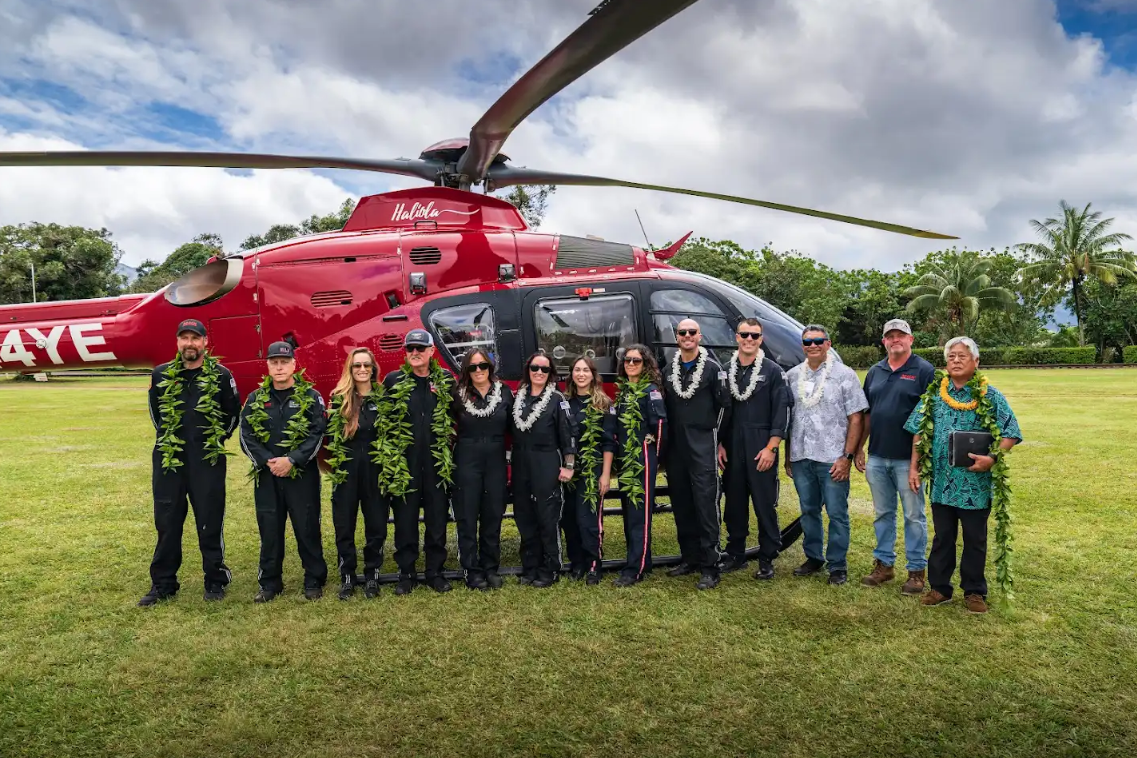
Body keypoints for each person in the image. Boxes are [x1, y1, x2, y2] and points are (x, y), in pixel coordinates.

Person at [905, 337, 1022, 615]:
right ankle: (940, 588)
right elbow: (918, 431)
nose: (956, 361)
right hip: (942, 483)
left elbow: (1011, 433)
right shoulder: (934, 395)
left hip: (975, 484)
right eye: (951, 356)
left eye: (962, 356)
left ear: (976, 362)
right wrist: (914, 467)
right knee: (943, 537)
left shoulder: (990, 396)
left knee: (975, 539)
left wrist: (992, 459)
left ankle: (974, 591)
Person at [138, 318, 241, 607]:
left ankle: (215, 580)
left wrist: (213, 441)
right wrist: (171, 441)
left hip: (206, 460)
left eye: (195, 338)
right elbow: (156, 415)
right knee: (167, 521)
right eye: (184, 338)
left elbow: (233, 413)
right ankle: (163, 583)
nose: (190, 343)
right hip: (169, 460)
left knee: (210, 519)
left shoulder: (221, 375)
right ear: (177, 342)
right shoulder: (161, 374)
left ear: (205, 342)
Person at [239, 341, 329, 602]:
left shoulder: (311, 397)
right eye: (274, 362)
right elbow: (246, 435)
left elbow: (317, 433)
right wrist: (268, 461)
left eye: (284, 362)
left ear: (293, 365)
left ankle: (314, 579)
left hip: (301, 476)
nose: (279, 367)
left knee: (307, 527)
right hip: (267, 476)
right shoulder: (255, 399)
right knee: (269, 529)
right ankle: (270, 583)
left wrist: (292, 460)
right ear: (268, 366)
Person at [855, 318, 936, 594]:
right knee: (883, 513)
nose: (895, 340)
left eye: (900, 335)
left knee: (914, 515)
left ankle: (916, 571)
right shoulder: (875, 371)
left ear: (911, 339)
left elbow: (927, 422)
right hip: (878, 456)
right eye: (890, 336)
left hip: (907, 460)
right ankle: (884, 565)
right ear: (884, 342)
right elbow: (868, 414)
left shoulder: (924, 371)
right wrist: (859, 447)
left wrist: (916, 463)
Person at [784, 325, 868, 586]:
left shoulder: (845, 375)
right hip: (801, 456)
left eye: (818, 340)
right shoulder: (792, 376)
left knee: (836, 512)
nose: (813, 345)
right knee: (808, 510)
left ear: (828, 344)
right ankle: (813, 557)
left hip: (833, 457)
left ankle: (837, 564)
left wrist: (847, 457)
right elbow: (789, 420)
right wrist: (788, 456)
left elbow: (856, 418)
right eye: (808, 342)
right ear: (802, 346)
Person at [378, 329, 456, 596]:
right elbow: (382, 421)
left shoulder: (445, 379)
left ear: (432, 351)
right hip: (405, 464)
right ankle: (406, 573)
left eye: (420, 348)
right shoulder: (393, 380)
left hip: (436, 463)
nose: (414, 353)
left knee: (437, 519)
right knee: (405, 519)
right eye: (410, 349)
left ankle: (435, 572)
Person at [718, 318, 790, 581]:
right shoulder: (726, 370)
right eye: (745, 334)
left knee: (764, 503)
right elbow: (721, 411)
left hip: (761, 443)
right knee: (734, 503)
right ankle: (735, 554)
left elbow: (782, 411)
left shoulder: (773, 371)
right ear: (737, 337)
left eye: (755, 335)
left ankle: (767, 557)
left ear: (761, 339)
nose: (749, 339)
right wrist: (720, 444)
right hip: (732, 444)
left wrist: (772, 447)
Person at [663, 318, 731, 590]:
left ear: (700, 336)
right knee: (681, 502)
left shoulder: (713, 368)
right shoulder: (668, 370)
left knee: (705, 502)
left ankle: (710, 565)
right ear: (677, 337)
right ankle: (689, 558)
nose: (687, 336)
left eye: (692, 332)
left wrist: (717, 439)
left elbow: (724, 407)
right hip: (676, 448)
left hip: (703, 444)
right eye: (682, 332)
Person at [325, 348, 388, 600]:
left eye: (366, 365)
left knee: (377, 525)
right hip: (346, 473)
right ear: (350, 369)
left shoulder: (383, 398)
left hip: (375, 472)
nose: (362, 369)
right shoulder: (338, 399)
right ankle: (348, 576)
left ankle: (372, 574)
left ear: (373, 368)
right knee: (344, 525)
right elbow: (329, 440)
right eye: (357, 365)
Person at [450, 349, 514, 591]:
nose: (478, 371)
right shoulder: (457, 394)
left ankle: (490, 567)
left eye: (483, 366)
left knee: (493, 514)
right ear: (466, 370)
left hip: (496, 458)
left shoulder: (504, 392)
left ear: (490, 367)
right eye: (473, 367)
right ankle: (471, 569)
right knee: (467, 516)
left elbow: (514, 427)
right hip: (467, 458)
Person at [511, 350, 575, 588]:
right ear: (528, 370)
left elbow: (568, 434)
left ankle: (551, 568)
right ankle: (530, 566)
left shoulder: (557, 399)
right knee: (524, 515)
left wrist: (569, 465)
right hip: (521, 461)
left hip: (546, 459)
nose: (539, 372)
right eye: (535, 368)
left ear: (551, 373)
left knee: (547, 515)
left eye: (545, 369)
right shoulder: (518, 397)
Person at [613, 345, 667, 587]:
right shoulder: (624, 391)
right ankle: (642, 559)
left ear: (645, 364)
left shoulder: (650, 390)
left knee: (639, 514)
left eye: (636, 360)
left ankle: (636, 568)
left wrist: (654, 453)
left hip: (643, 457)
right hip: (625, 458)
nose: (631, 364)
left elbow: (660, 425)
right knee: (628, 511)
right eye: (627, 360)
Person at [562, 356, 617, 585]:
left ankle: (594, 564)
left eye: (585, 370)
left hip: (593, 468)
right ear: (571, 374)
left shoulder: (604, 404)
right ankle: (577, 563)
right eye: (577, 370)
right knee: (569, 518)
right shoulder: (564, 402)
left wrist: (605, 475)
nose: (581, 374)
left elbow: (608, 443)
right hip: (569, 469)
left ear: (593, 375)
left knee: (588, 519)